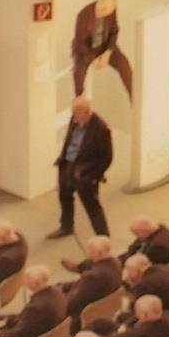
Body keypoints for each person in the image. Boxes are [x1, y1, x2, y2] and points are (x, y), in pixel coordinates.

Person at [54, 94, 115, 241]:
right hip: (67, 166)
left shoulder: (101, 129)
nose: (74, 118)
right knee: (65, 197)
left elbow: (107, 158)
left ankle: (103, 237)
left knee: (92, 205)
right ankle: (66, 226)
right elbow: (69, 141)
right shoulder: (74, 120)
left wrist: (93, 176)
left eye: (77, 114)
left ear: (87, 112)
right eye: (73, 113)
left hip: (85, 174)